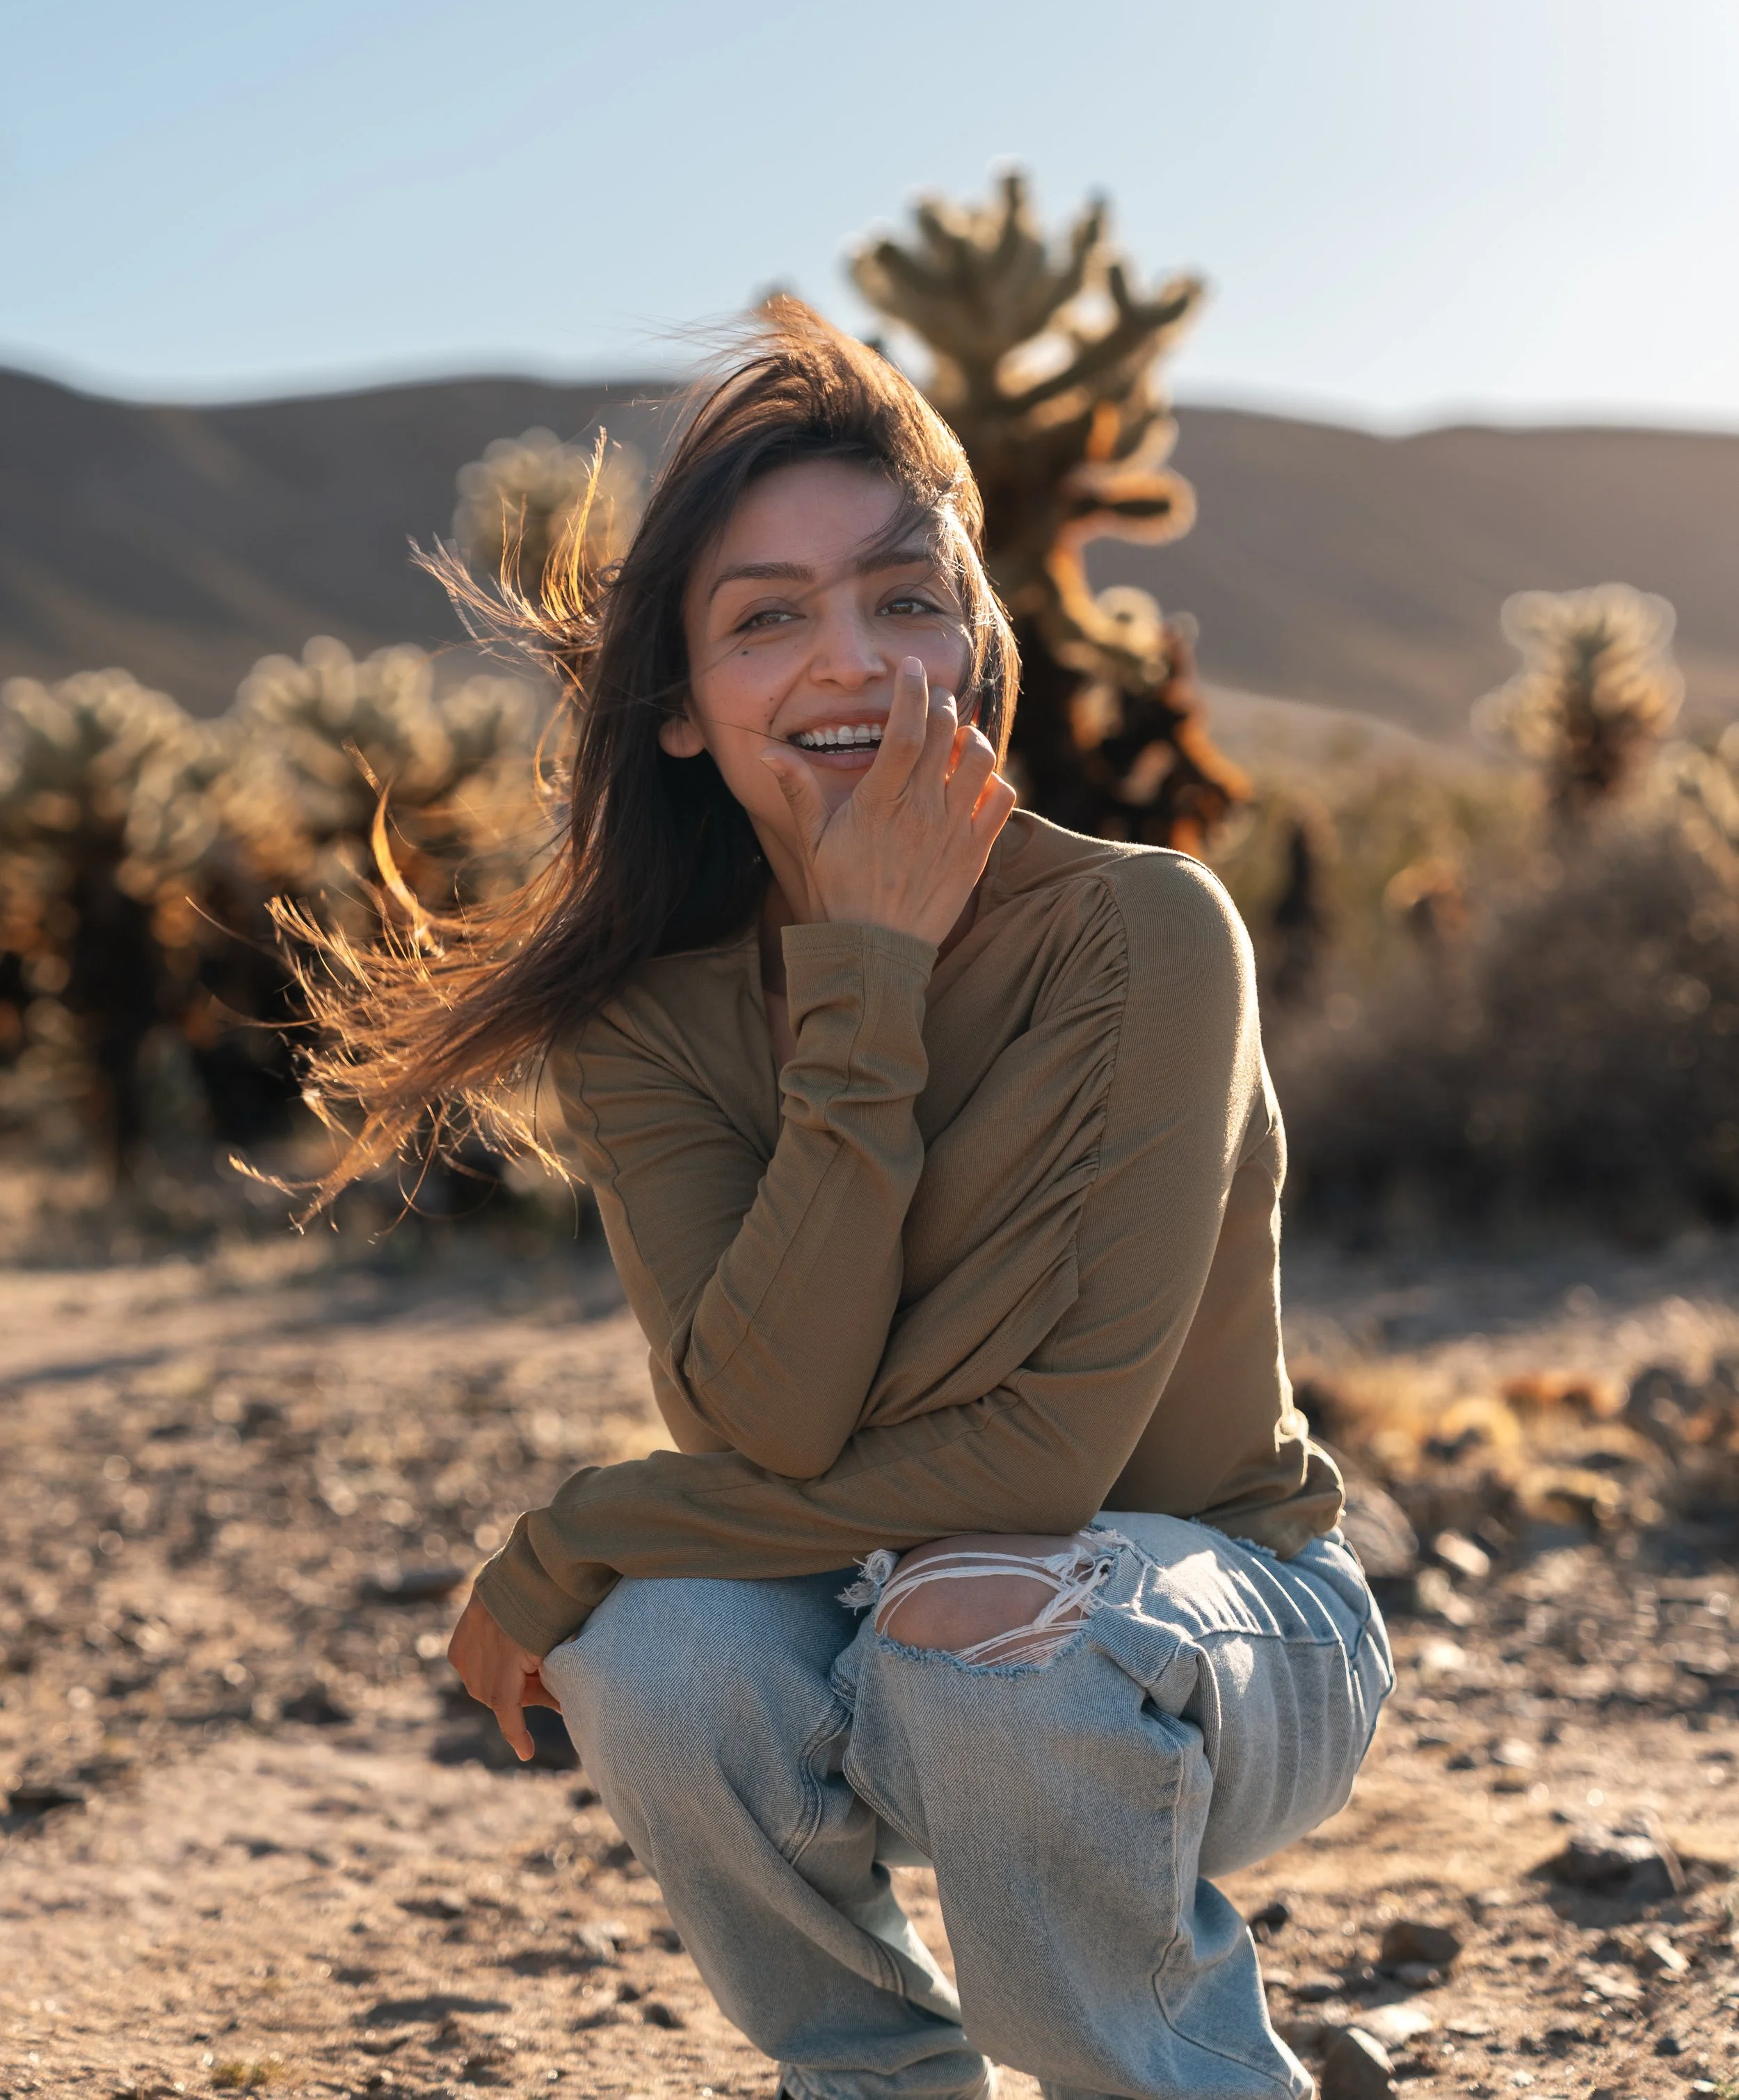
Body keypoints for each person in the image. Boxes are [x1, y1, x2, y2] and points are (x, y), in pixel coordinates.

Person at [298, 302, 1392, 2100]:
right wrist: (862, 973)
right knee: (652, 1656)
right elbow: (767, 1411)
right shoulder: (647, 1023)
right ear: (673, 710)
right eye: (765, 617)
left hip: (1215, 1623)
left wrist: (578, 1525)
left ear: (977, 642)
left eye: (903, 598)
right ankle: (871, 2082)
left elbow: (1036, 1463)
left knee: (985, 1618)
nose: (853, 661)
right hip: (870, 1609)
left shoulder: (1141, 932)